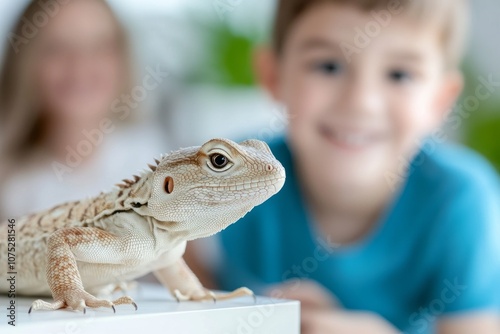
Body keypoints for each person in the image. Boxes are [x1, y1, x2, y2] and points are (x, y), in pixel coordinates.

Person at [185, 0, 500, 333]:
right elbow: (180, 263)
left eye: (399, 74)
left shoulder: (458, 199)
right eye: (328, 67)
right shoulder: (230, 170)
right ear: (273, 76)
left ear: (440, 101)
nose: (361, 101)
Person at [0, 0, 165, 220]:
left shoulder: (153, 158)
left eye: (100, 46)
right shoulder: (13, 185)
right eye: (56, 48)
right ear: (25, 63)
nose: (80, 65)